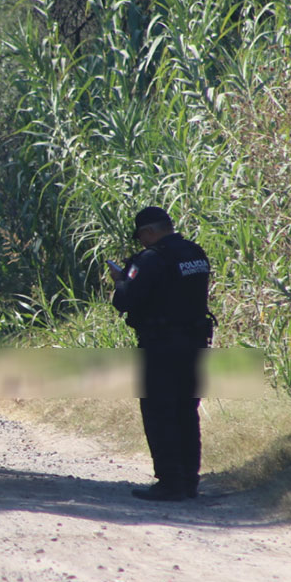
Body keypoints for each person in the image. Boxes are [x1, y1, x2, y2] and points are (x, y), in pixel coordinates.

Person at [109, 207, 213, 502]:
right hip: (195, 342)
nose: (142, 242)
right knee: (186, 410)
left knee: (159, 411)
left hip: (161, 345)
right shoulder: (195, 253)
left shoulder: (152, 259)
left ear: (149, 232)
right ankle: (189, 481)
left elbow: (126, 300)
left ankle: (170, 482)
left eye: (142, 236)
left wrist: (120, 280)